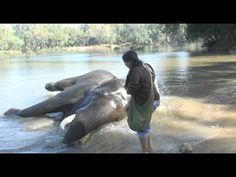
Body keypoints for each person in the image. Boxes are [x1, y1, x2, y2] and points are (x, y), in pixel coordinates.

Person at [122, 50, 160, 153]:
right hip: (155, 99)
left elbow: (133, 88)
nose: (125, 65)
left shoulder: (135, 71)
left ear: (129, 61)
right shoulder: (145, 66)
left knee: (140, 126)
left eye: (125, 62)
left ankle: (144, 151)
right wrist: (130, 103)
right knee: (145, 123)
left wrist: (127, 90)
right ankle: (149, 148)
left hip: (147, 102)